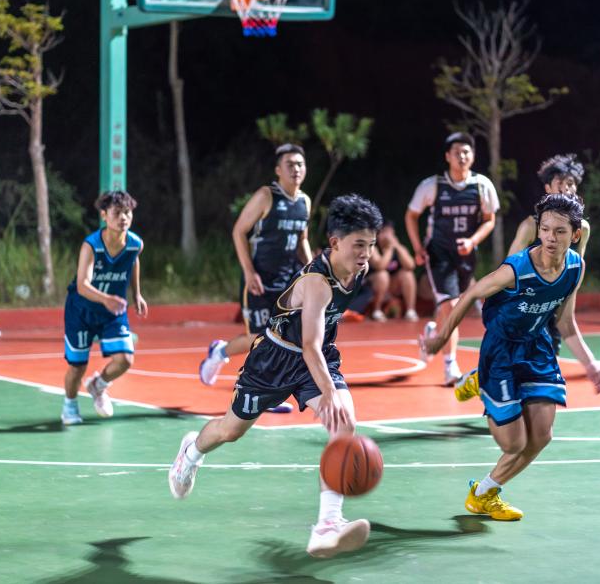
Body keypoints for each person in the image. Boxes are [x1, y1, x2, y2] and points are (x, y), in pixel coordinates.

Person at [168, 194, 383, 558]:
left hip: (317, 360)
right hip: (274, 360)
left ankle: (327, 526)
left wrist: (331, 396)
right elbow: (309, 344)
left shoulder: (358, 271)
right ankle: (190, 452)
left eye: (371, 245)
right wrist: (329, 392)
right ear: (335, 242)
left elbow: (317, 347)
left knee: (343, 424)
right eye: (358, 244)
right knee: (230, 431)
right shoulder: (317, 282)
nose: (365, 253)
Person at [422, 194, 600, 520]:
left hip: (536, 348)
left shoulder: (575, 268)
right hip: (501, 351)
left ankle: (483, 494)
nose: (551, 238)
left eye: (560, 232)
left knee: (541, 436)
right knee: (514, 444)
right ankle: (481, 380)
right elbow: (471, 293)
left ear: (575, 235)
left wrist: (590, 364)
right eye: (545, 229)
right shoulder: (518, 268)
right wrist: (441, 337)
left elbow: (565, 322)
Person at [200, 144, 312, 389]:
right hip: (259, 278)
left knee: (284, 338)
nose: (296, 169)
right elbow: (239, 231)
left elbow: (302, 239)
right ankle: (220, 352)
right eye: (290, 164)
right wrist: (249, 272)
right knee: (258, 337)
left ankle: (266, 390)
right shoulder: (266, 196)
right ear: (278, 170)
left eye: (300, 164)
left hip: (288, 282)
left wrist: (313, 270)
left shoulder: (304, 201)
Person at [405, 132, 500, 385]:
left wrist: (472, 241)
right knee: (452, 306)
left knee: (449, 308)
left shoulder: (482, 186)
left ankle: (433, 334)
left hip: (466, 256)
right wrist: (417, 247)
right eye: (457, 152)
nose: (462, 156)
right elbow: (411, 215)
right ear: (447, 156)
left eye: (466, 151)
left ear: (473, 156)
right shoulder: (432, 185)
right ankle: (450, 367)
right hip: (438, 254)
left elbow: (489, 220)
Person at [61, 191, 148, 426]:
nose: (123, 218)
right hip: (81, 311)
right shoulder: (92, 246)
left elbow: (133, 261)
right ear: (104, 215)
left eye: (127, 212)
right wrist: (106, 298)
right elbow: (82, 285)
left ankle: (98, 385)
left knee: (125, 359)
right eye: (117, 213)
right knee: (78, 366)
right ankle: (69, 405)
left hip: (112, 312)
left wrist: (136, 293)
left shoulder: (135, 244)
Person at [507, 153, 591, 257]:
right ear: (548, 188)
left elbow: (578, 264)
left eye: (570, 183)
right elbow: (509, 265)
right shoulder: (531, 226)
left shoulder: (583, 228)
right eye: (560, 183)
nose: (565, 188)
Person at [367, 221, 418, 321]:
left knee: (407, 274)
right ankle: (376, 310)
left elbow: (411, 265)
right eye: (383, 232)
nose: (386, 236)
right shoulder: (373, 248)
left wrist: (397, 246)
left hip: (393, 287)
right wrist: (389, 249)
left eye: (389, 232)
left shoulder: (399, 248)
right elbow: (380, 266)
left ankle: (410, 311)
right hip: (375, 287)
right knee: (382, 275)